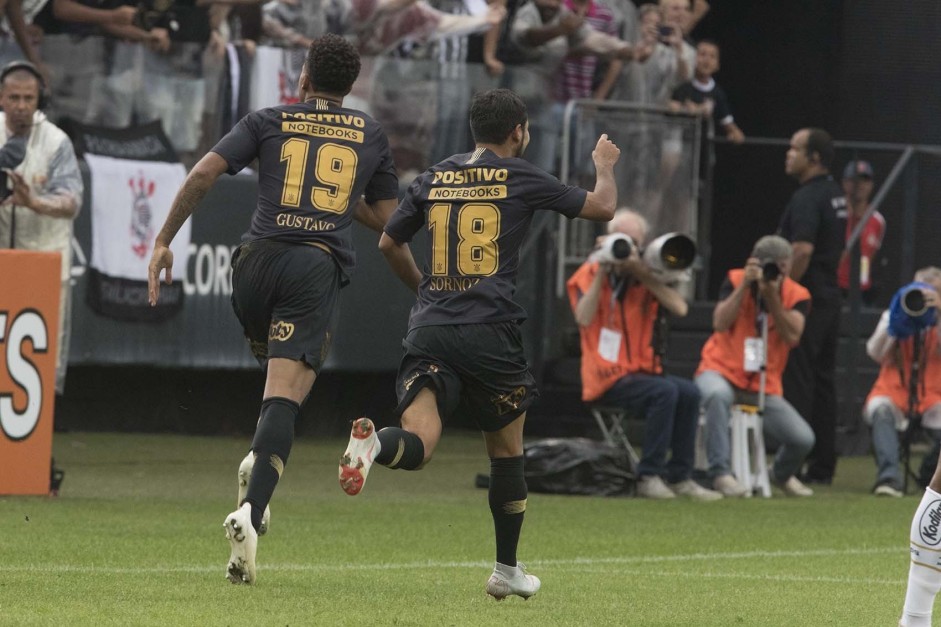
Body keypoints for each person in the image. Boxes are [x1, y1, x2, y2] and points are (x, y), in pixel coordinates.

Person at [338, 88, 621, 600]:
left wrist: (425, 287)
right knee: (506, 452)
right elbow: (603, 208)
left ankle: (374, 443)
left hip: (430, 328)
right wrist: (603, 164)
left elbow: (387, 241)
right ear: (518, 131)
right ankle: (506, 569)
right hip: (489, 328)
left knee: (419, 445)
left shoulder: (435, 174)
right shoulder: (522, 174)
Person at [147, 34, 400, 585]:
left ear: (303, 78)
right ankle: (252, 512)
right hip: (311, 268)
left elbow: (203, 174)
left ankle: (257, 468)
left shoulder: (268, 119)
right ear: (351, 86)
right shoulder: (369, 134)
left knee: (274, 390)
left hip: (253, 264)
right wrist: (339, 201)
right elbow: (390, 222)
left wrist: (165, 238)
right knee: (286, 397)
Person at [566, 208, 722, 501]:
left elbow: (680, 308)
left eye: (634, 243)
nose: (627, 249)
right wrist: (602, 267)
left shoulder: (644, 278)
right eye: (621, 241)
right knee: (664, 392)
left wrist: (643, 274)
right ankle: (648, 475)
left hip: (641, 372)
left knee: (688, 392)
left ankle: (680, 476)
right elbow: (583, 318)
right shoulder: (587, 274)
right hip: (606, 376)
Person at [695, 235, 815, 497]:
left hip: (763, 383)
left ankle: (779, 475)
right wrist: (745, 287)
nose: (780, 272)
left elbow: (792, 335)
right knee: (716, 396)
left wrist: (772, 296)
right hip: (721, 370)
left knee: (803, 439)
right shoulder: (736, 279)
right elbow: (719, 323)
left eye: (784, 266)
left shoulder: (798, 294)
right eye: (774, 266)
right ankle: (721, 473)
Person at [0, 60, 84, 396]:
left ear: (39, 101)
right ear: (2, 98)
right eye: (14, 98)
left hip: (45, 264)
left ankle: (38, 443)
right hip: (2, 260)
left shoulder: (56, 141)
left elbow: (71, 202)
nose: (21, 107)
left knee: (42, 355)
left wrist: (34, 202)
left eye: (28, 99)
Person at [777, 127, 845, 485]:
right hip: (831, 295)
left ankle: (797, 462)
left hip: (810, 297)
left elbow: (801, 248)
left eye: (795, 148)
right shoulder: (835, 194)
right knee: (824, 382)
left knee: (800, 378)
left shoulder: (807, 197)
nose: (788, 154)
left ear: (814, 158)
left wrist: (788, 291)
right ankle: (823, 465)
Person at [864, 267, 941, 499]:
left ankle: (930, 478)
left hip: (933, 396)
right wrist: (897, 323)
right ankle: (889, 478)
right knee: (880, 409)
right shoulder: (894, 314)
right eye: (920, 291)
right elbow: (873, 352)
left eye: (934, 291)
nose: (926, 297)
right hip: (893, 391)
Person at [668, 39, 744, 144]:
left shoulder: (718, 94)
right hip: (682, 145)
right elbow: (671, 108)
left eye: (712, 56)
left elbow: (728, 124)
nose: (706, 60)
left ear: (717, 65)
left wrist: (735, 134)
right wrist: (685, 109)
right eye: (702, 54)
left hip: (704, 149)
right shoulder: (683, 88)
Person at [837, 159, 885, 305]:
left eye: (865, 180)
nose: (860, 185)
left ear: (871, 185)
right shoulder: (835, 213)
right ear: (845, 183)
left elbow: (871, 255)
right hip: (835, 287)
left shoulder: (878, 221)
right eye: (854, 180)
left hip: (862, 292)